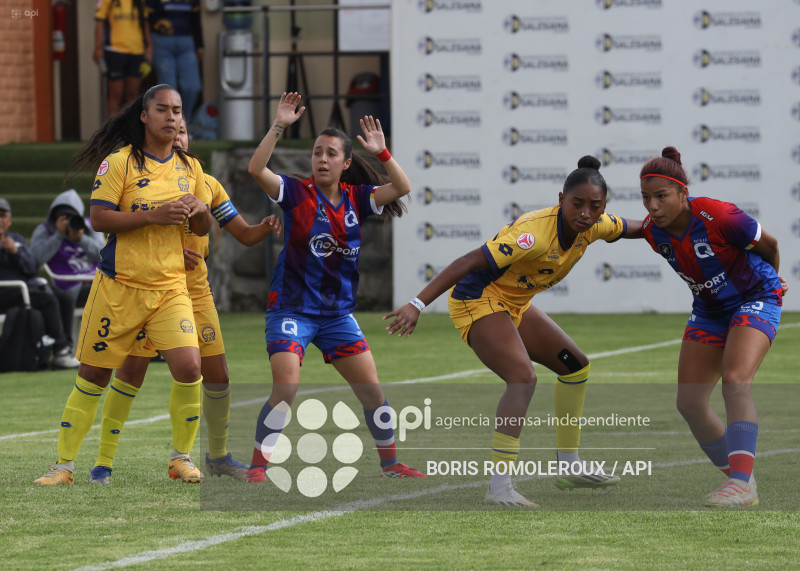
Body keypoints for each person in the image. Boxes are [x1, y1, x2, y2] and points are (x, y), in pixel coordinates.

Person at [385, 156, 643, 507]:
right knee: (523, 379)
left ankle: (569, 465)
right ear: (561, 199)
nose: (585, 212)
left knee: (575, 367)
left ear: (603, 207)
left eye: (594, 206)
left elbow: (640, 227)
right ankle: (499, 486)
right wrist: (417, 304)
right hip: (476, 299)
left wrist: (682, 222)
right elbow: (466, 263)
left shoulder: (597, 225)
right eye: (577, 203)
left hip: (515, 303)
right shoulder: (532, 235)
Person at [87, 118, 283, 485]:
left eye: (183, 132)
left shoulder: (207, 185)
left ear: (191, 139)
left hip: (196, 293)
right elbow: (137, 229)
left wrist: (265, 227)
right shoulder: (144, 175)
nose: (178, 137)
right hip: (151, 289)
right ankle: (103, 462)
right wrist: (176, 253)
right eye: (172, 131)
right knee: (131, 374)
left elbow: (242, 233)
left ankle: (218, 457)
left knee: (217, 375)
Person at [34, 84, 213, 485]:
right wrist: (155, 215)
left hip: (169, 288)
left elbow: (202, 226)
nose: (172, 117)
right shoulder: (120, 163)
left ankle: (180, 458)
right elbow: (99, 219)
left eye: (178, 110)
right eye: (163, 109)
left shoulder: (191, 168)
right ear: (144, 116)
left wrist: (200, 212)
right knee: (94, 375)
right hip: (120, 287)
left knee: (189, 366)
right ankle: (63, 466)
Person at [245, 92, 425, 482]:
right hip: (291, 310)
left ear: (345, 163)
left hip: (337, 316)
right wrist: (278, 125)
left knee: (373, 393)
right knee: (287, 387)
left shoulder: (357, 198)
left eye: (330, 154)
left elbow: (403, 187)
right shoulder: (296, 193)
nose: (321, 159)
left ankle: (392, 465)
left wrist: (382, 153)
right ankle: (258, 467)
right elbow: (257, 169)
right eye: (316, 152)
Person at [638, 146, 787, 507]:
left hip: (756, 297)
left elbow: (769, 245)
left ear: (683, 193)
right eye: (645, 198)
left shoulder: (719, 216)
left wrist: (775, 282)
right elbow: (620, 228)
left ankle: (738, 484)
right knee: (689, 402)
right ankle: (743, 480)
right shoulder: (651, 232)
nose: (653, 206)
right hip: (709, 311)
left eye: (661, 196)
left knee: (736, 380)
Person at [0, 198, 80, 369]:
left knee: (64, 297)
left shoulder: (16, 239)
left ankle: (65, 348)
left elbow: (32, 267)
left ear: (10, 220)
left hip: (25, 288)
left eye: (2, 216)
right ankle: (59, 350)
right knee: (47, 300)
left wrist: (15, 252)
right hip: (5, 290)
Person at [30, 189, 105, 350]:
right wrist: (58, 235)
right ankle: (69, 346)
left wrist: (81, 239)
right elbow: (35, 259)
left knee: (113, 290)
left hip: (93, 282)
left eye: (72, 217)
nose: (68, 221)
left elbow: (103, 254)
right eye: (63, 217)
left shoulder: (88, 226)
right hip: (65, 286)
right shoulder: (44, 231)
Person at [146, 0, 204, 126]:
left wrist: (200, 45)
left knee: (193, 87)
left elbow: (195, 19)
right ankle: (165, 125)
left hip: (186, 42)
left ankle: (182, 122)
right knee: (167, 88)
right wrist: (148, 45)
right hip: (161, 42)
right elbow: (146, 20)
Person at [94, 0, 153, 118]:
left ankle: (131, 130)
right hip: (115, 50)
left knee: (133, 94)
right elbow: (99, 23)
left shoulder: (140, 2)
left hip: (137, 51)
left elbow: (145, 24)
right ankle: (112, 131)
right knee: (116, 94)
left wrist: (149, 46)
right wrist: (98, 48)